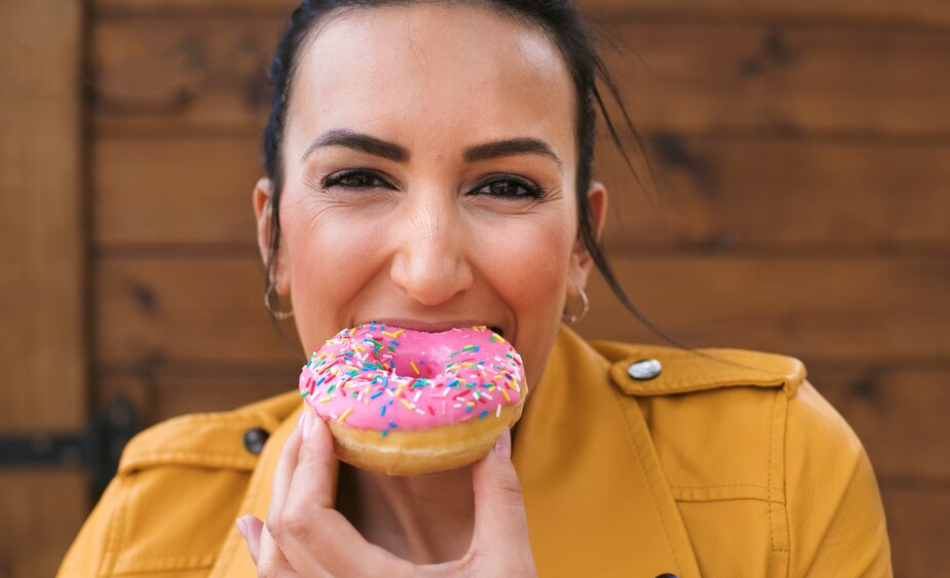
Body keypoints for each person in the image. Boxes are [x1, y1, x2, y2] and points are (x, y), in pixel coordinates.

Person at [58, 1, 893, 577]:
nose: (428, 274)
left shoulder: (781, 481)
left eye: (506, 187)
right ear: (273, 238)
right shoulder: (143, 537)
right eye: (357, 176)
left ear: (580, 248)